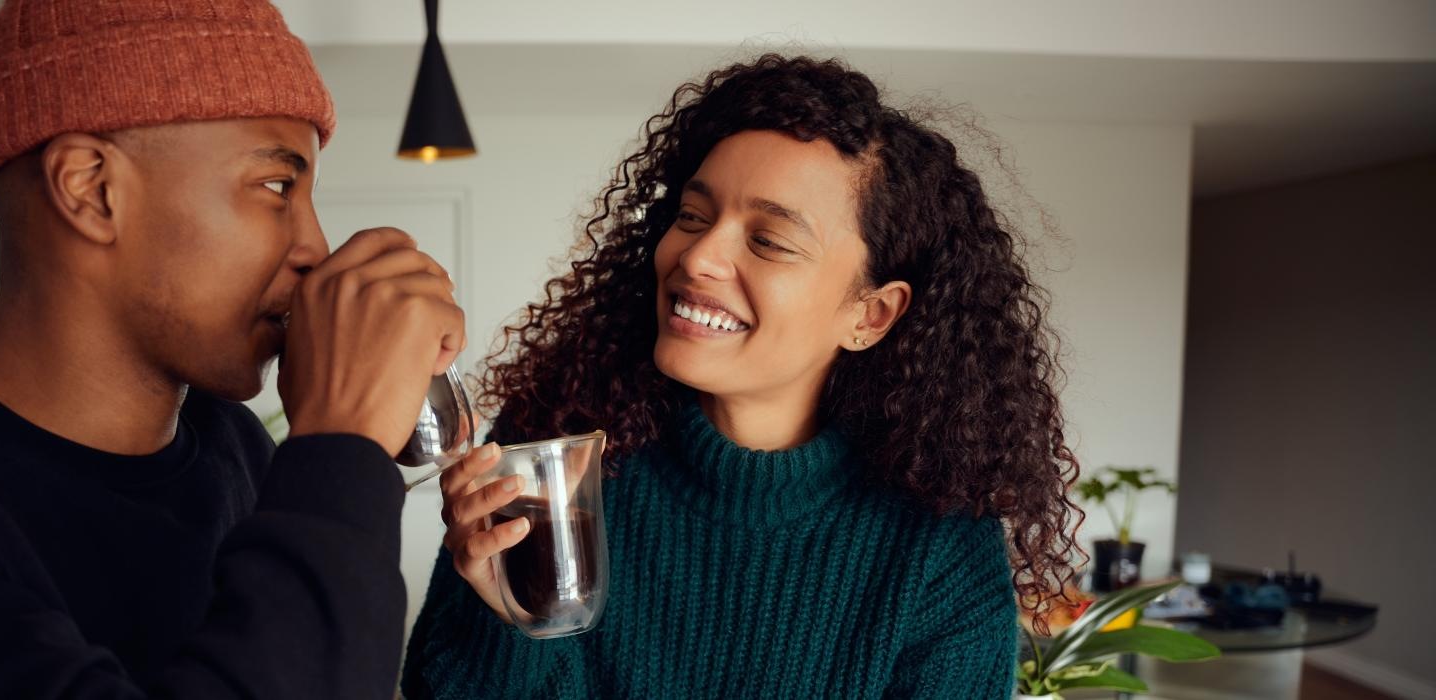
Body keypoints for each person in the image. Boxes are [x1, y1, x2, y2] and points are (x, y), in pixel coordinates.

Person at [0, 1, 464, 697]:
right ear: (90, 189)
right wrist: (340, 444)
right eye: (274, 187)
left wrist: (482, 615)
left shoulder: (233, 448)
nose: (314, 246)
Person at [402, 54, 1081, 698]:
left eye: (769, 241)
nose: (697, 256)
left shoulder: (938, 547)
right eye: (692, 216)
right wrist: (519, 623)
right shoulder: (555, 452)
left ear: (871, 315)